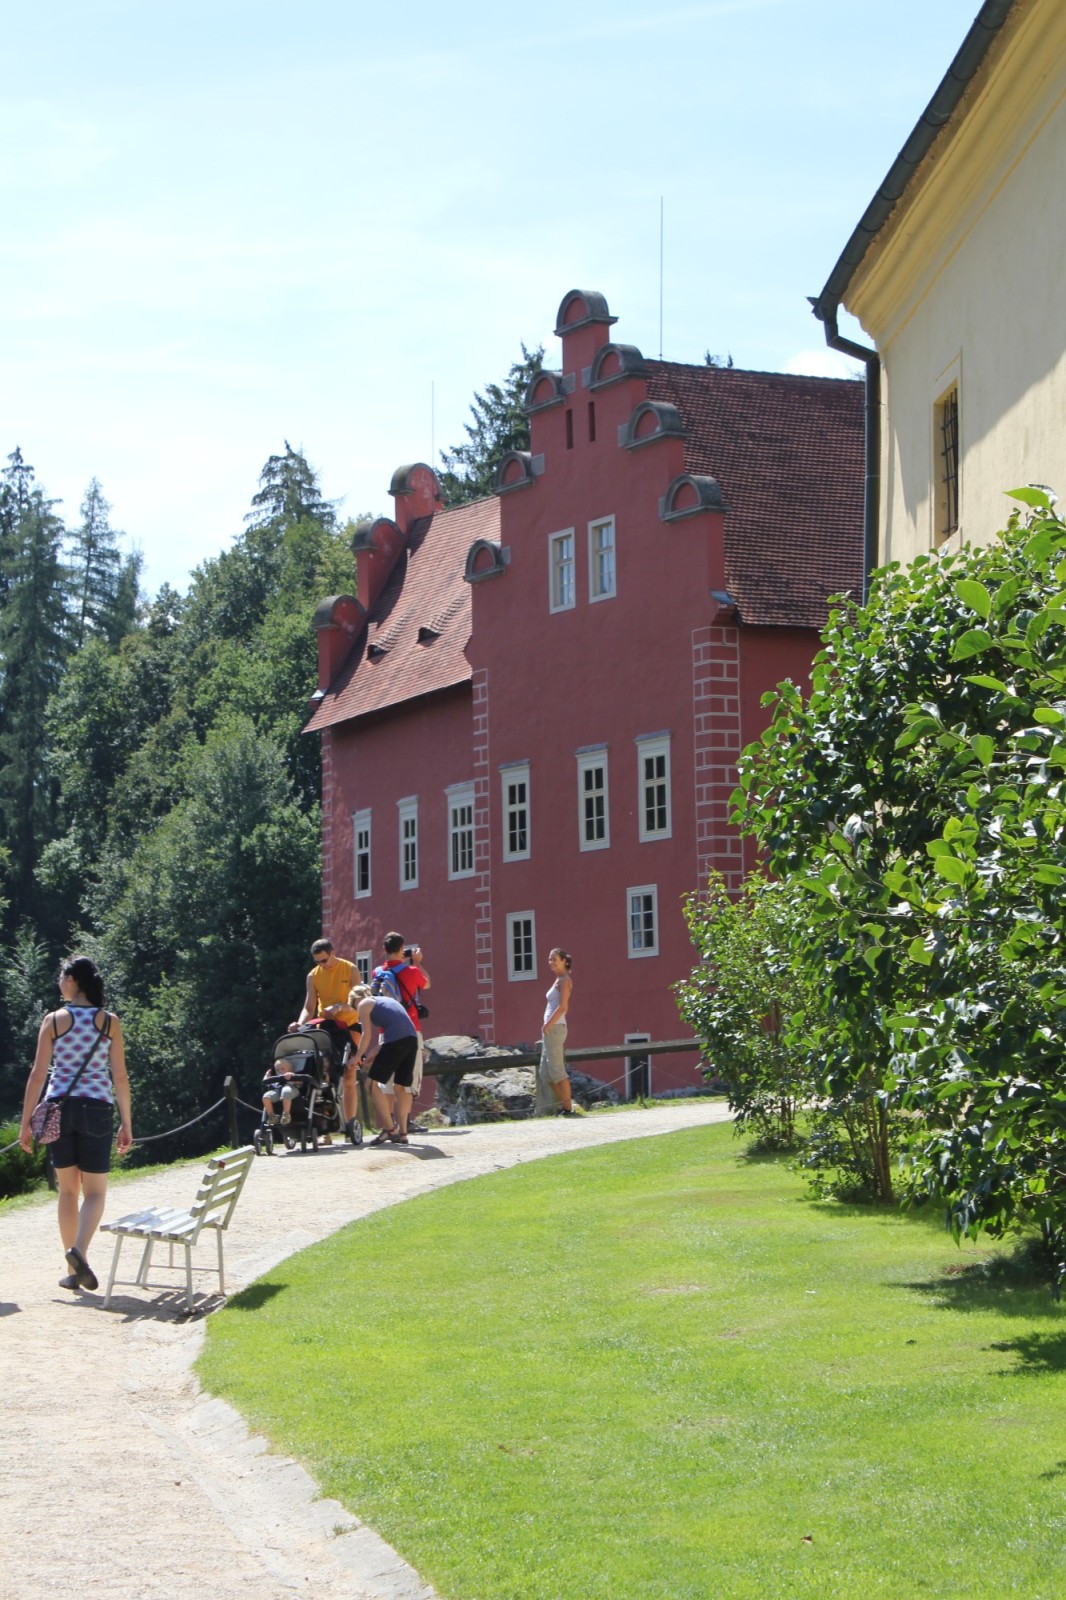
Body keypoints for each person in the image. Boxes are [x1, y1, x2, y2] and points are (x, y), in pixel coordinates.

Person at [18, 956, 133, 1293]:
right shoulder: (109, 1022)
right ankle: (79, 1251)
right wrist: (126, 1123)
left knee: (68, 1191)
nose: (59, 983)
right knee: (95, 1192)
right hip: (97, 1107)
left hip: (59, 1108)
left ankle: (72, 1271)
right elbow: (120, 1076)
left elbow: (38, 1075)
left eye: (61, 977)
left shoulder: (53, 1020)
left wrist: (25, 1123)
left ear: (72, 980)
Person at [290, 938, 360, 1135]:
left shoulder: (350, 969)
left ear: (332, 953)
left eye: (324, 960)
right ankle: (326, 1128)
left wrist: (339, 1008)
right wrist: (299, 1024)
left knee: (349, 1073)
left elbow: (358, 1002)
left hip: (350, 1024)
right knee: (323, 1075)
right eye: (317, 961)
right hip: (326, 1027)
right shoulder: (313, 976)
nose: (321, 964)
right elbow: (309, 1007)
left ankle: (351, 1123)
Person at [371, 932, 430, 1132]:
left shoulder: (377, 972)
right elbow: (427, 983)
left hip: (386, 1031)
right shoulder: (411, 971)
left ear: (384, 949)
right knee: (407, 1080)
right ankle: (406, 1123)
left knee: (386, 1081)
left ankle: (390, 1125)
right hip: (410, 1030)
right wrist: (417, 962)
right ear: (402, 948)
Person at [351, 984, 419, 1144]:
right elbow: (399, 1027)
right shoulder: (386, 1000)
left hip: (396, 1042)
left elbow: (366, 1034)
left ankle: (390, 1129)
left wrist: (357, 1057)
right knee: (400, 1086)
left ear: (356, 999)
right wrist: (377, 1050)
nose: (356, 1009)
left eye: (353, 1005)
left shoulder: (363, 1003)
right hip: (411, 1040)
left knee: (371, 1084)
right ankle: (403, 1133)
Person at [535, 947, 581, 1116]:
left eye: (554, 959)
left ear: (564, 961)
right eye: (550, 959)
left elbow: (563, 1007)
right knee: (545, 1073)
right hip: (550, 1029)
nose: (551, 962)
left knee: (557, 1071)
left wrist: (548, 1024)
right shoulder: (558, 979)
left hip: (555, 1028)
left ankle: (568, 1108)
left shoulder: (565, 980)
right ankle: (567, 1103)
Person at [262, 1057, 300, 1125]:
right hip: (278, 1090)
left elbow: (300, 1082)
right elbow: (266, 1083)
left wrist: (292, 1076)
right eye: (277, 1070)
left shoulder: (292, 1075)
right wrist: (266, 1076)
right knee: (266, 1097)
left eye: (282, 1069)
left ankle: (286, 1115)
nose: (280, 1071)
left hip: (291, 1089)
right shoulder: (277, 1079)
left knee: (285, 1091)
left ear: (290, 1069)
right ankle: (272, 1116)